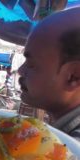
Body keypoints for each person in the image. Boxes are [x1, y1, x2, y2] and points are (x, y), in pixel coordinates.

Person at [18, 7, 80, 137]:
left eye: (31, 64)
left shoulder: (73, 152)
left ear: (73, 76)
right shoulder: (63, 137)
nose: (20, 70)